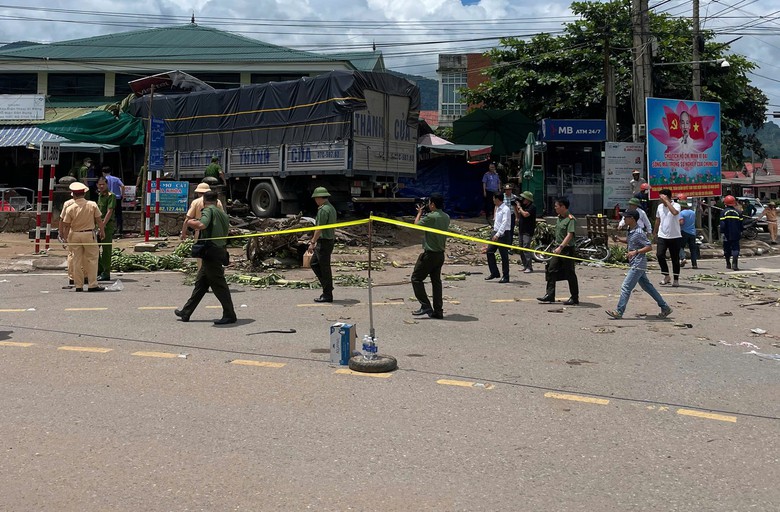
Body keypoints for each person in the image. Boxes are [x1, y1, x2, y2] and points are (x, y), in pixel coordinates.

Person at [175, 191, 236, 324]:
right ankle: (186, 312)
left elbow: (202, 225)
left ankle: (229, 315)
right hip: (219, 250)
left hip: (211, 252)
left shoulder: (208, 210)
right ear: (217, 200)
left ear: (203, 201)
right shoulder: (222, 214)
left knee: (219, 285)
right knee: (201, 284)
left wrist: (190, 222)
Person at [605, 209, 673, 320]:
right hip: (636, 263)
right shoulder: (631, 230)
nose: (624, 219)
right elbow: (631, 241)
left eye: (626, 217)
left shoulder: (639, 232)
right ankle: (665, 307)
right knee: (648, 287)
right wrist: (620, 240)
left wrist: (635, 252)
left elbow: (649, 247)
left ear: (632, 219)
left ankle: (619, 311)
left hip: (638, 264)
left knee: (626, 287)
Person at [60, 182, 105, 292]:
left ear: (74, 195)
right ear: (84, 194)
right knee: (92, 259)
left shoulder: (70, 208)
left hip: (75, 234)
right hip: (88, 234)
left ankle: (78, 285)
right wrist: (102, 231)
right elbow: (99, 220)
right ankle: (92, 284)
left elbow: (66, 225)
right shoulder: (92, 205)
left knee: (76, 260)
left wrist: (65, 238)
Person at [411, 193, 450, 319]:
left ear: (432, 204)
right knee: (436, 282)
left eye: (429, 203)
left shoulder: (431, 217)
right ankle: (438, 310)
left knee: (416, 278)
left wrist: (419, 213)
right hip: (440, 254)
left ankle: (425, 305)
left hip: (430, 254)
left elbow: (415, 225)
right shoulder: (446, 217)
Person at [537, 197, 579, 305]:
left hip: (566, 249)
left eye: (556, 206)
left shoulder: (570, 219)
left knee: (570, 273)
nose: (555, 208)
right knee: (551, 269)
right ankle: (550, 295)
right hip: (557, 248)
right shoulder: (559, 218)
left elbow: (570, 235)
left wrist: (561, 247)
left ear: (563, 207)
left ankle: (574, 297)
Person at [308, 187, 337, 303]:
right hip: (328, 241)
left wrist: (312, 242)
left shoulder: (323, 210)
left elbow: (319, 228)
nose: (315, 201)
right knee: (314, 263)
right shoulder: (331, 208)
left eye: (316, 198)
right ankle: (327, 286)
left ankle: (327, 293)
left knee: (324, 268)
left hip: (324, 242)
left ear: (320, 198)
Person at [653, 188, 682, 287]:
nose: (660, 199)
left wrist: (667, 201)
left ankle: (676, 279)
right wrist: (655, 232)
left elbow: (674, 212)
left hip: (675, 236)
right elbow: (658, 219)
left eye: (661, 197)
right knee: (660, 255)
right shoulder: (660, 207)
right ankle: (666, 275)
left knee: (675, 258)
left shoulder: (676, 205)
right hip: (662, 235)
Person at [485, 193, 512, 283]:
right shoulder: (497, 208)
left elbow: (504, 223)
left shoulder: (505, 209)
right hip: (495, 231)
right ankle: (494, 272)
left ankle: (506, 276)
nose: (493, 200)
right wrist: (494, 232)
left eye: (494, 198)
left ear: (497, 199)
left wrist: (498, 234)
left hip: (503, 234)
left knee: (504, 255)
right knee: (489, 251)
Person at [95, 176, 116, 282]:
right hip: (98, 225)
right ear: (97, 185)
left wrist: (102, 226)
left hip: (107, 226)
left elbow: (109, 211)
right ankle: (99, 269)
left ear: (107, 184)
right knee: (94, 248)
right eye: (100, 184)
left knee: (106, 250)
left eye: (104, 184)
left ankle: (106, 272)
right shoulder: (99, 195)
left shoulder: (111, 196)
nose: (102, 186)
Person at [515, 190, 537, 273]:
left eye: (524, 198)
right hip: (521, 229)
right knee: (521, 248)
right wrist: (516, 206)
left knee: (526, 248)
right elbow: (519, 214)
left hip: (528, 231)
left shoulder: (532, 207)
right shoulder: (523, 206)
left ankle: (529, 267)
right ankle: (525, 265)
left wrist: (520, 207)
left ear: (528, 199)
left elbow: (525, 214)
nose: (523, 200)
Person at [719, 195, 743, 271]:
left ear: (725, 203)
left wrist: (722, 232)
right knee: (735, 249)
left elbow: (722, 224)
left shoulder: (723, 212)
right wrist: (741, 232)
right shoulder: (739, 212)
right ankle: (735, 264)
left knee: (727, 249)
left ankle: (728, 263)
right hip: (736, 234)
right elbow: (741, 225)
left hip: (727, 234)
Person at [102, 166, 124, 235]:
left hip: (108, 198)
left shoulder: (104, 179)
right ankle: (119, 230)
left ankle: (108, 229)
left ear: (103, 173)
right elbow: (122, 186)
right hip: (117, 198)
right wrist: (122, 195)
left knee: (107, 213)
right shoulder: (116, 179)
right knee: (118, 214)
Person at [677, 200, 698, 269]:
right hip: (692, 232)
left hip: (684, 232)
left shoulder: (681, 213)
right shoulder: (693, 212)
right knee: (692, 249)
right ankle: (694, 264)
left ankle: (683, 258)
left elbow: (681, 222)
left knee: (680, 246)